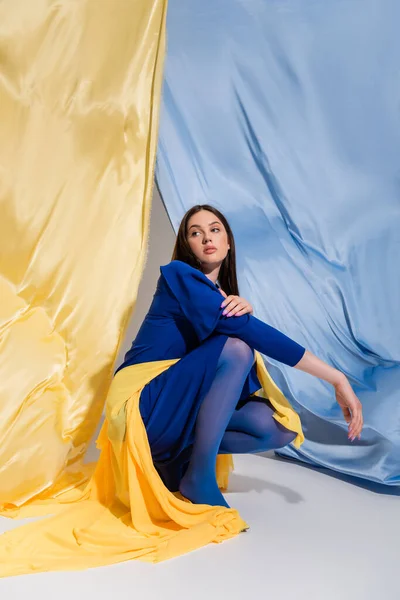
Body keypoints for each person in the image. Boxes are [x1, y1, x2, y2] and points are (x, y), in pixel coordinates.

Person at [114, 204, 364, 509]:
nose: (207, 237)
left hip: (172, 403)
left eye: (215, 229)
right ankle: (198, 477)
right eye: (196, 233)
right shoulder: (178, 275)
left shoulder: (220, 295)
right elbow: (253, 335)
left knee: (276, 427)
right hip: (141, 404)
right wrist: (337, 378)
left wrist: (238, 305)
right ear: (187, 246)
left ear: (228, 242)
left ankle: (176, 458)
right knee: (237, 347)